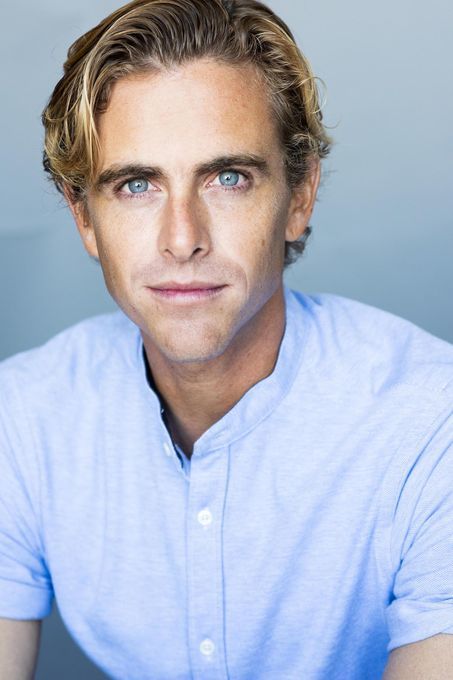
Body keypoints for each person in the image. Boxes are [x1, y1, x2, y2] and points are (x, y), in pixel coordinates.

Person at [0, 0, 452, 678]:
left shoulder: (431, 428)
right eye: (136, 184)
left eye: (228, 178)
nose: (182, 239)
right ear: (84, 218)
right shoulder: (23, 420)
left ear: (299, 197)